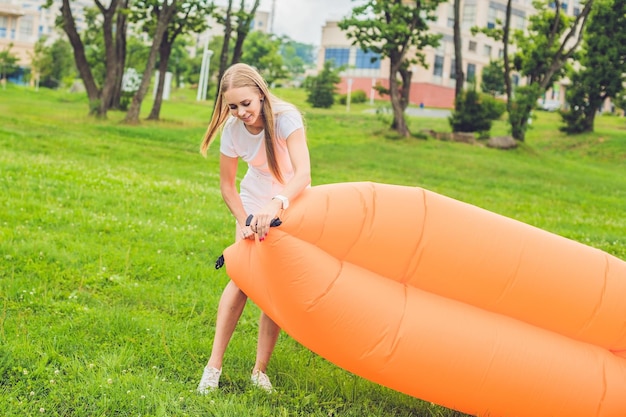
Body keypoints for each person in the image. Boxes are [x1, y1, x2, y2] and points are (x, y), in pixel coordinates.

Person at [196, 63, 311, 394]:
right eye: (233, 106)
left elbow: (303, 174)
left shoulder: (286, 117)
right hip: (252, 199)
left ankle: (259, 371)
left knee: (274, 283)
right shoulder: (232, 131)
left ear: (260, 93)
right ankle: (212, 368)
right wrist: (246, 220)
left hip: (289, 197)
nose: (240, 112)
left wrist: (276, 204)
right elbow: (228, 187)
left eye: (246, 103)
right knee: (242, 278)